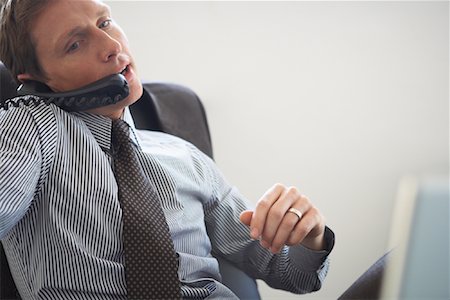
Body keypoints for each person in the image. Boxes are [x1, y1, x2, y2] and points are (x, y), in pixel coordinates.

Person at [0, 0, 335, 299]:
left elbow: (294, 275)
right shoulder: (30, 126)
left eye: (104, 23)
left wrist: (310, 234)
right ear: (39, 83)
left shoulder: (184, 156)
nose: (111, 45)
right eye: (74, 44)